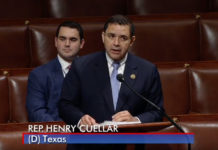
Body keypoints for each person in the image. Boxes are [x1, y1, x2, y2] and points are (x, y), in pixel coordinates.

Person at [59, 15, 164, 150]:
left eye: (123, 38)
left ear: (132, 41)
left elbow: (157, 112)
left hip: (128, 145)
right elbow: (65, 105)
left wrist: (135, 120)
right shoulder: (81, 66)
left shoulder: (147, 70)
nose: (116, 43)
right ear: (103, 37)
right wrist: (81, 119)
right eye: (111, 36)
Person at [26, 21, 85, 122]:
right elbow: (36, 112)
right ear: (56, 42)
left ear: (81, 43)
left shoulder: (94, 71)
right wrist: (59, 129)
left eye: (73, 39)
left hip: (90, 133)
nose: (67, 44)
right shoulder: (39, 75)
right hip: (56, 133)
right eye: (62, 39)